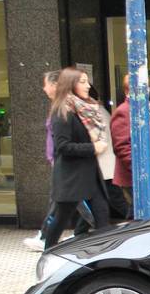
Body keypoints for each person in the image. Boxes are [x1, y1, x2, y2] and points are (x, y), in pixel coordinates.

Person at [42, 67, 111, 249]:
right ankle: (47, 254)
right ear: (70, 85)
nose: (88, 86)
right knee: (60, 220)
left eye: (87, 81)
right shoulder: (62, 111)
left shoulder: (85, 110)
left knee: (102, 216)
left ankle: (106, 260)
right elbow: (63, 147)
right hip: (71, 178)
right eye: (82, 82)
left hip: (90, 175)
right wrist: (93, 147)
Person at [110, 73, 150, 216]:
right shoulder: (125, 112)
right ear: (128, 91)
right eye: (141, 87)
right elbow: (122, 147)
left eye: (147, 86)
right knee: (147, 217)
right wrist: (141, 171)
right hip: (140, 176)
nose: (147, 90)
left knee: (143, 216)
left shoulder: (148, 109)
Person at [23, 70, 61, 251]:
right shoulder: (57, 106)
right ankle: (82, 230)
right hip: (59, 162)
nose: (43, 88)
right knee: (67, 201)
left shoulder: (62, 107)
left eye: (45, 84)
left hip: (62, 163)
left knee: (59, 200)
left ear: (54, 85)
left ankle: (45, 236)